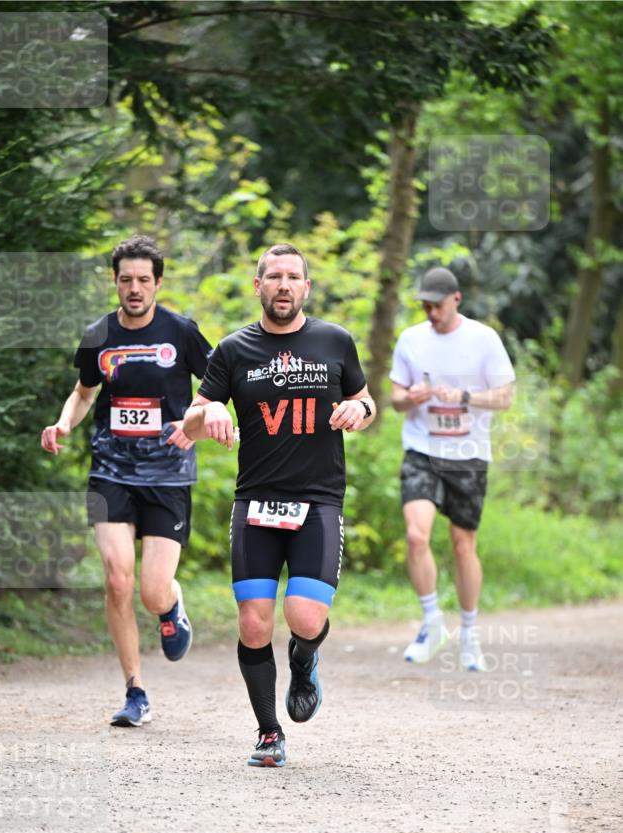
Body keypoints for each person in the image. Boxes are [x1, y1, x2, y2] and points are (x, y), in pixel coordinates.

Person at [183, 243, 376, 767]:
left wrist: (360, 410)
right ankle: (269, 733)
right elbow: (191, 420)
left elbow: (365, 398)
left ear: (306, 287)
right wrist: (208, 415)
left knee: (305, 617)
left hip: (318, 500)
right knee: (253, 623)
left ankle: (304, 660)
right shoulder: (233, 349)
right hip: (256, 503)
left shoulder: (335, 341)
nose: (283, 285)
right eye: (274, 277)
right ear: (258, 286)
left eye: (293, 277)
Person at [41, 235, 213, 726]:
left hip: (168, 474)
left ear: (158, 282)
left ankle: (170, 606)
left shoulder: (181, 331)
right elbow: (82, 393)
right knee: (117, 579)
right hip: (111, 470)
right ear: (115, 282)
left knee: (151, 592)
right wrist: (63, 423)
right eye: (125, 280)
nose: (134, 288)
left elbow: (217, 390)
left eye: (143, 280)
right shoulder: (98, 334)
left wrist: (196, 423)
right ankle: (135, 691)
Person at [389, 266, 515, 671]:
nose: (431, 313)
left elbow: (505, 397)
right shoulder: (410, 339)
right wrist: (411, 396)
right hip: (422, 451)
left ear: (456, 299)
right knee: (415, 535)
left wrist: (464, 396)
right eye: (425, 306)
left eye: (437, 305)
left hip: (468, 454)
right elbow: (394, 398)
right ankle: (431, 623)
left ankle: (470, 633)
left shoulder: (483, 339)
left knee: (463, 545)